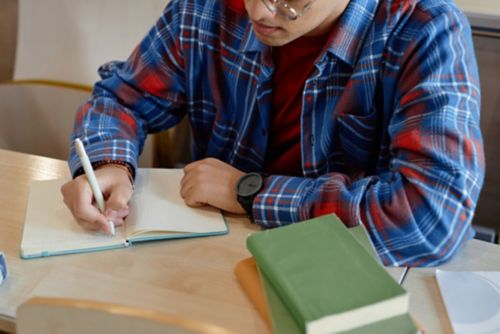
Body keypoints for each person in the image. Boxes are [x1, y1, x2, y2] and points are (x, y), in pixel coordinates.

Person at [61, 0, 484, 266]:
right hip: (212, 265)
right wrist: (108, 163)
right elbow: (120, 99)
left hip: (342, 277)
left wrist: (250, 193)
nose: (258, 12)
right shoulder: (205, 9)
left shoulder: (426, 29)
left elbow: (433, 217)